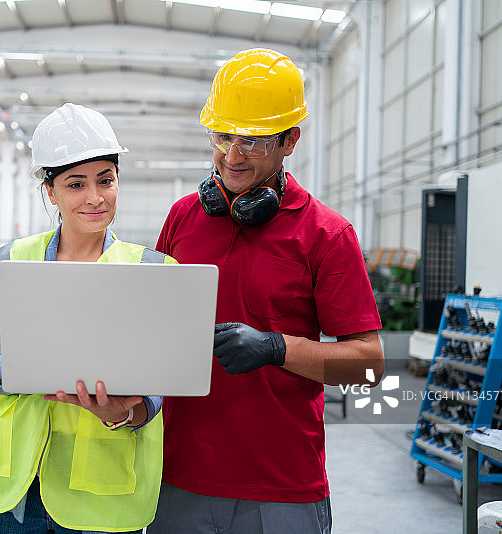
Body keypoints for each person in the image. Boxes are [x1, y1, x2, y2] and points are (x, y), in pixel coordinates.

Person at [147, 49, 384, 534]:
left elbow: (368, 364)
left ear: (290, 139)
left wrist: (276, 348)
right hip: (181, 478)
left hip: (283, 489)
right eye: (223, 136)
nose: (232, 156)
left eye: (253, 141)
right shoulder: (183, 217)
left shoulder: (327, 235)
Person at [0, 103, 176, 534]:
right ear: (51, 191)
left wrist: (121, 412)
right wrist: (53, 371)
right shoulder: (12, 261)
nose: (94, 197)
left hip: (99, 495)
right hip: (7, 492)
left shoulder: (150, 270)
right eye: (76, 184)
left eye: (106, 180)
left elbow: (158, 390)